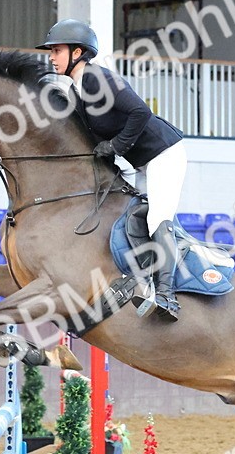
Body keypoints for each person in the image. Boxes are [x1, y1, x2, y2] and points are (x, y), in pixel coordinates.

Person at [38, 19, 187, 321]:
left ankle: (168, 297)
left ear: (77, 52)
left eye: (56, 50)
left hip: (164, 154)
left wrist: (116, 146)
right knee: (128, 214)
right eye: (51, 51)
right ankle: (140, 280)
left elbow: (140, 112)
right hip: (142, 162)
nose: (51, 57)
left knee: (158, 216)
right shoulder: (79, 92)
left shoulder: (97, 78)